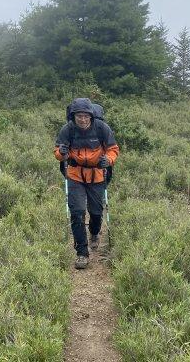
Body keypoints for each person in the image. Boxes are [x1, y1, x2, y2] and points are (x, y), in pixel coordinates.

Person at [54, 98, 119, 269]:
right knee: (77, 212)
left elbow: (113, 149)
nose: (82, 119)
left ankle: (95, 233)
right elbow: (58, 152)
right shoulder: (67, 129)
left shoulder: (101, 128)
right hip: (75, 175)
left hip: (97, 175)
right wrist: (61, 153)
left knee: (96, 212)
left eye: (86, 116)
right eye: (79, 116)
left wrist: (109, 160)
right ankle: (82, 253)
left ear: (91, 116)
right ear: (74, 116)